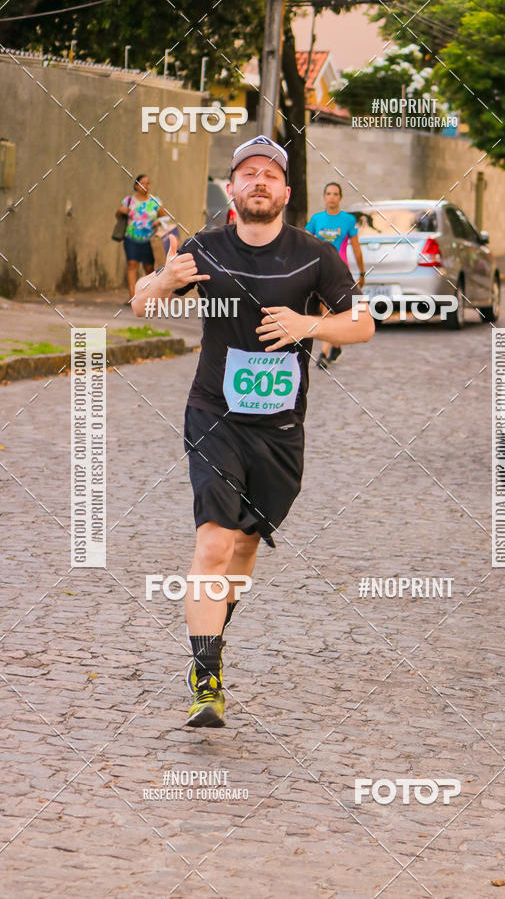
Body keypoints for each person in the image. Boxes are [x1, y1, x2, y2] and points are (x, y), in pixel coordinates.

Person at [131, 135, 374, 728]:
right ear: (233, 189)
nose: (259, 181)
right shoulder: (204, 249)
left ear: (286, 191)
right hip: (213, 414)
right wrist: (161, 283)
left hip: (281, 426)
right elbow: (142, 305)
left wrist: (307, 323)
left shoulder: (315, 255)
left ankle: (214, 635)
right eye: (248, 173)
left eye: (270, 174)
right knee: (214, 542)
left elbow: (362, 325)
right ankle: (206, 676)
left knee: (243, 546)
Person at [305, 183, 365, 369]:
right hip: (320, 270)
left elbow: (356, 248)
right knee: (327, 310)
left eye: (335, 194)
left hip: (340, 271)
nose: (331, 197)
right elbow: (305, 244)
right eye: (328, 194)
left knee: (330, 310)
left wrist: (362, 272)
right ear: (324, 197)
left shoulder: (348, 220)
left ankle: (324, 352)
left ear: (340, 198)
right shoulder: (316, 220)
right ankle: (334, 346)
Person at [116, 174, 167, 301]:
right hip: (131, 238)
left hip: (149, 240)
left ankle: (147, 296)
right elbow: (118, 217)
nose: (145, 186)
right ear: (136, 185)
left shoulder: (155, 202)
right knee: (131, 264)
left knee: (148, 267)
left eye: (148, 183)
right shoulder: (128, 201)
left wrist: (159, 222)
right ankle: (132, 296)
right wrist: (120, 211)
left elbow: (165, 218)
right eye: (142, 183)